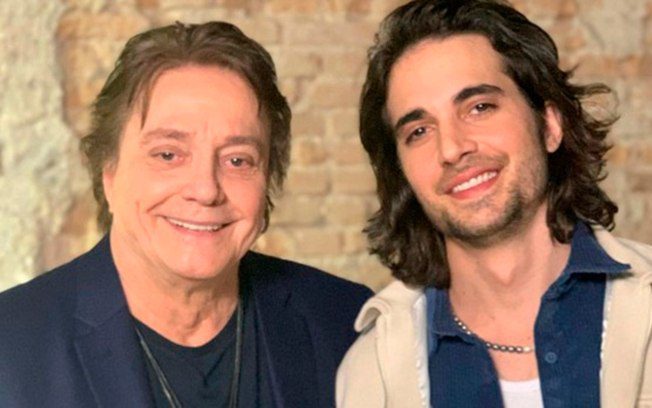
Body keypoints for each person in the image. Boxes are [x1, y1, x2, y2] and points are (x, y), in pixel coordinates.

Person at [0, 21, 372, 407]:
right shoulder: (11, 345)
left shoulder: (344, 322)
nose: (205, 189)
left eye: (238, 160)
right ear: (108, 173)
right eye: (168, 155)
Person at [336, 1, 652, 407]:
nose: (452, 148)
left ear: (550, 125)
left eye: (479, 108)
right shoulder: (372, 374)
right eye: (419, 131)